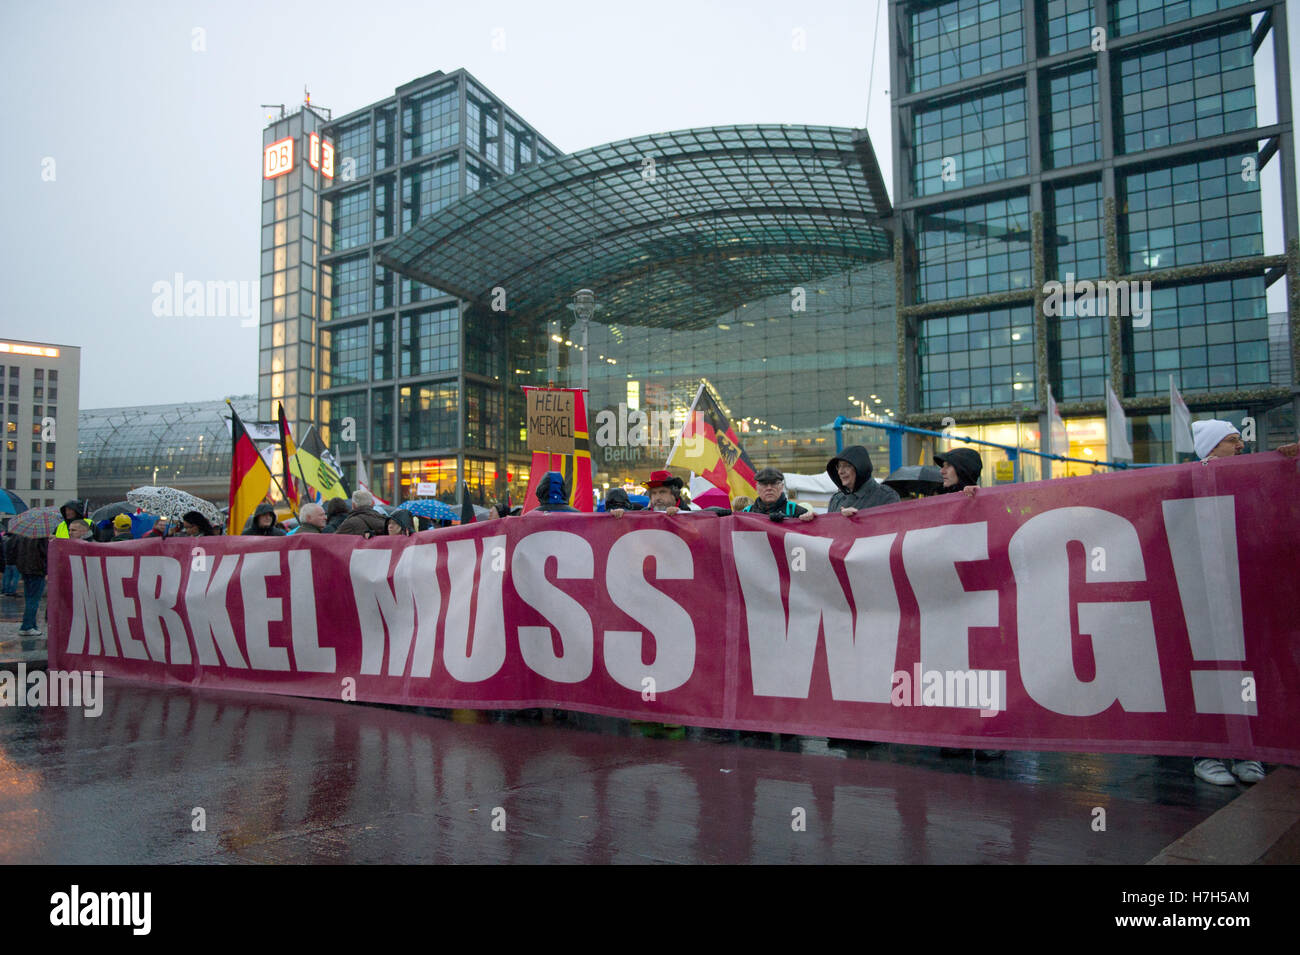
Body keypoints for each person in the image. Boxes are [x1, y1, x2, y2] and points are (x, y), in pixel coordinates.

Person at [1189, 419, 1265, 785]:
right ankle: (1208, 752)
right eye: (1233, 441)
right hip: (1202, 596)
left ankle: (1247, 751)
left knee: (1248, 672)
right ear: (1211, 446)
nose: (1241, 446)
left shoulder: (1255, 478)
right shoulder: (1187, 482)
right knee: (1210, 673)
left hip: (1244, 591)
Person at [826, 446, 900, 514]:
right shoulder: (837, 499)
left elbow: (894, 525)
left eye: (846, 466)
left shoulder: (886, 496)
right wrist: (816, 522)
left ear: (861, 468)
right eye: (838, 466)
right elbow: (828, 527)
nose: (840, 472)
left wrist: (859, 518)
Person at [743, 468, 815, 522]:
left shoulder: (796, 511)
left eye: (774, 484)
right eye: (764, 484)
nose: (769, 488)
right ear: (757, 488)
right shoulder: (747, 512)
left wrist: (812, 518)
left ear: (782, 487)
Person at [16, 532, 47, 636]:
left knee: (29, 599)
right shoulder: (42, 536)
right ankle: (27, 627)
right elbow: (45, 553)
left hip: (25, 570)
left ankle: (32, 625)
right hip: (37, 570)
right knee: (33, 600)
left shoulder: (22, 535)